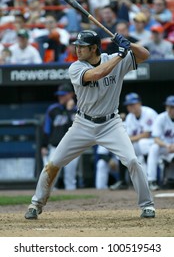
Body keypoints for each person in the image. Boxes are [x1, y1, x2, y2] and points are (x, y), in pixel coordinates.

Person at [24, 29, 155, 220]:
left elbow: (145, 55)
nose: (77, 50)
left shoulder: (114, 58)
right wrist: (121, 54)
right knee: (54, 163)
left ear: (94, 48)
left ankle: (147, 205)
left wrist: (128, 43)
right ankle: (36, 204)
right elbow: (97, 73)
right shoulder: (76, 67)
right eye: (76, 46)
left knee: (133, 161)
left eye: (82, 47)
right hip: (83, 124)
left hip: (111, 123)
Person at [110, 93, 158, 190]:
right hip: (139, 144)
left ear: (139, 103)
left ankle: (151, 179)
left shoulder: (149, 113)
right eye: (128, 105)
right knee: (123, 150)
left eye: (133, 104)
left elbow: (147, 134)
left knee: (142, 143)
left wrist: (129, 139)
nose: (130, 107)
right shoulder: (130, 117)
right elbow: (130, 135)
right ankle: (123, 181)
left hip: (153, 142)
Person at [41, 83, 80, 190]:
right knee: (50, 178)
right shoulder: (53, 109)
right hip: (55, 147)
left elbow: (74, 128)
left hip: (73, 148)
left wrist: (69, 110)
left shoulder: (79, 110)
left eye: (63, 94)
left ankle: (71, 205)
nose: (60, 97)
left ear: (71, 94)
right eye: (59, 95)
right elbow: (46, 128)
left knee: (70, 179)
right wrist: (44, 145)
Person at [147, 96, 174, 190]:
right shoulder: (161, 118)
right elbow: (156, 139)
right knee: (154, 148)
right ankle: (151, 181)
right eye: (169, 107)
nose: (170, 109)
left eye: (172, 107)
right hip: (165, 147)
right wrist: (167, 145)